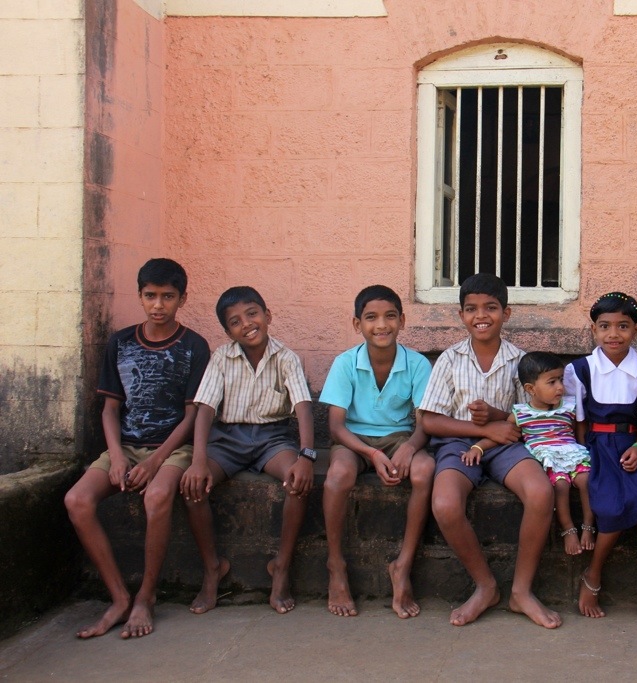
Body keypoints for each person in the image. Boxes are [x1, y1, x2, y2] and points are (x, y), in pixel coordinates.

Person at [65, 258, 210, 639]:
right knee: (76, 500)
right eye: (150, 296)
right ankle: (118, 598)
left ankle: (146, 595)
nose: (158, 305)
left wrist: (156, 461)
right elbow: (110, 409)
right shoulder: (121, 342)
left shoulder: (194, 346)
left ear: (182, 299)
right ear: (140, 296)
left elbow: (192, 415)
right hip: (126, 445)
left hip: (172, 449)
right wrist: (115, 455)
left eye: (168, 296)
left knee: (157, 495)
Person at [420, 273, 561, 629]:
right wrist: (481, 429)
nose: (481, 315)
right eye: (471, 309)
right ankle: (485, 586)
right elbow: (430, 421)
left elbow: (529, 415)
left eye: (491, 308)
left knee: (541, 492)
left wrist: (497, 419)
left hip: (506, 442)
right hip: (457, 444)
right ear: (461, 315)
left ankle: (521, 592)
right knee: (445, 504)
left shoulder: (520, 361)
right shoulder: (450, 359)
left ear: (506, 313)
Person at [180, 286, 315, 615]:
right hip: (228, 439)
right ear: (228, 332)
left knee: (297, 483)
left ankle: (281, 567)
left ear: (267, 316)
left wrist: (306, 456)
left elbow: (303, 407)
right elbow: (205, 409)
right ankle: (212, 568)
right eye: (235, 321)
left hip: (273, 439)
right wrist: (198, 460)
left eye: (252, 314)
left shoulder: (286, 358)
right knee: (193, 487)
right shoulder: (221, 358)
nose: (247, 324)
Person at [319, 285, 433, 619]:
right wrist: (371, 455)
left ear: (402, 321)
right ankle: (336, 564)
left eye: (390, 316)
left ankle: (403, 565)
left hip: (399, 436)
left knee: (425, 470)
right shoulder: (345, 363)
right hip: (353, 439)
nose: (381, 325)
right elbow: (336, 427)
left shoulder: (417, 364)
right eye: (371, 317)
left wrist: (409, 447)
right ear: (358, 324)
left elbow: (426, 422)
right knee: (338, 476)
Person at [565, 292, 637, 621]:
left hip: (633, 446)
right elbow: (578, 420)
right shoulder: (581, 369)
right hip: (596, 447)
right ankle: (593, 574)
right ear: (593, 329)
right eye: (605, 326)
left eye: (623, 326)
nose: (614, 334)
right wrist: (584, 456)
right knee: (610, 508)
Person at [464, 351, 595, 555]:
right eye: (552, 382)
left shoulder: (569, 407)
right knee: (561, 486)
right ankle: (568, 529)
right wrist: (478, 447)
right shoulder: (522, 414)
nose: (560, 387)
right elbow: (504, 434)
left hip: (573, 454)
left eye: (561, 380)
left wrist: (585, 449)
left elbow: (579, 431)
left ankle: (588, 527)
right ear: (530, 389)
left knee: (586, 480)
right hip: (549, 460)